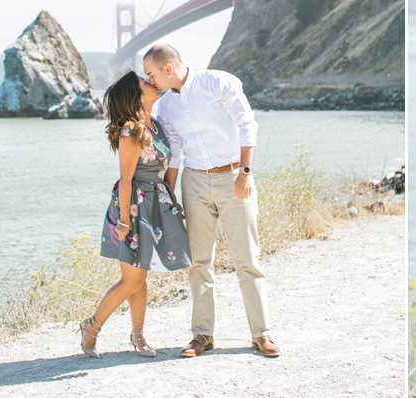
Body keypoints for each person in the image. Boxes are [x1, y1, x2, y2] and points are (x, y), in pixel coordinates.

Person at [142, 44, 280, 359]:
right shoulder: (164, 107)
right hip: (194, 182)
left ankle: (262, 335)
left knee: (247, 260)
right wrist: (170, 195)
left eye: (151, 75)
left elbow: (247, 124)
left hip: (234, 178)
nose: (150, 82)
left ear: (167, 69)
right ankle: (202, 335)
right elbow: (174, 150)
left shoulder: (217, 82)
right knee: (199, 262)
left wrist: (245, 173)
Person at [79, 69, 192, 359]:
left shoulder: (154, 125)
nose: (151, 82)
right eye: (145, 81)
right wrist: (124, 221)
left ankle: (138, 336)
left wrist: (171, 200)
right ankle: (91, 327)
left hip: (155, 203)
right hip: (133, 206)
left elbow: (165, 167)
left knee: (141, 278)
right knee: (131, 280)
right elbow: (127, 179)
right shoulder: (131, 130)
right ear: (135, 94)